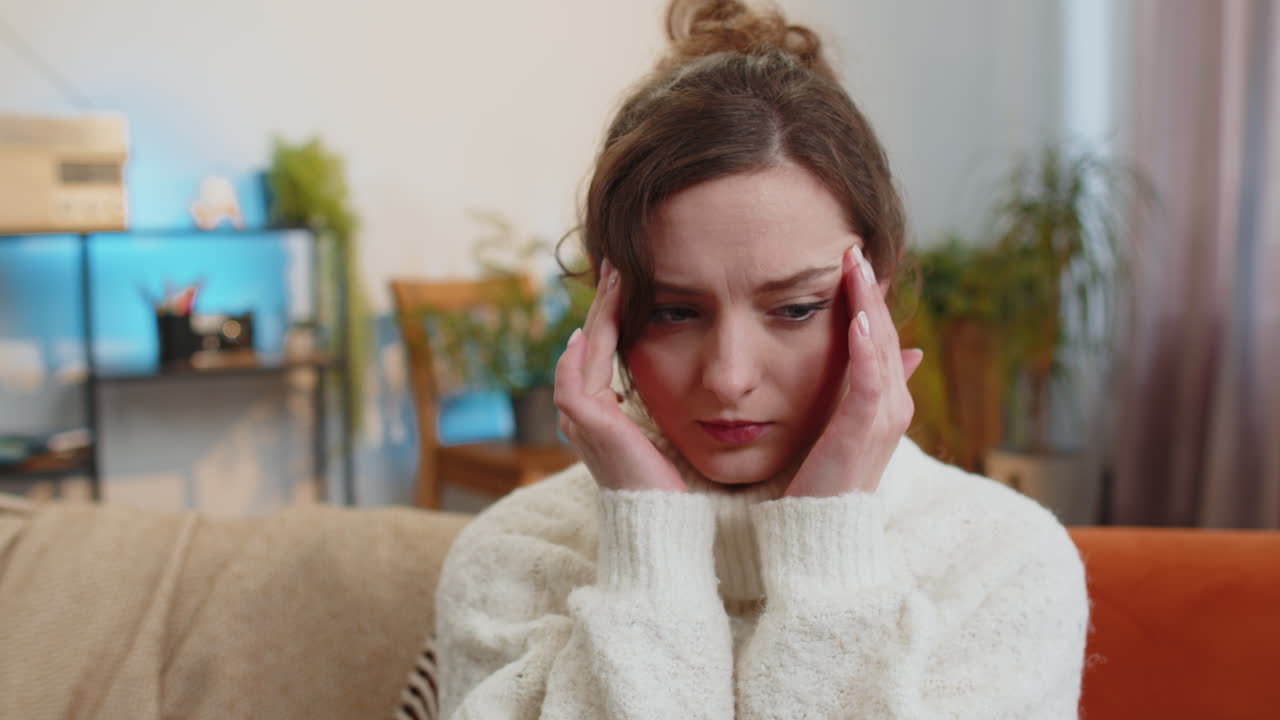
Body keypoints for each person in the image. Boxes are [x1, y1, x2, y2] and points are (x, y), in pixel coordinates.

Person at [426, 1, 1090, 717]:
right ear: (609, 308)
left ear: (877, 293)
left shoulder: (1004, 566)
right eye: (675, 311)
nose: (730, 377)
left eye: (795, 308)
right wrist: (648, 545)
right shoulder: (509, 560)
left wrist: (829, 541)